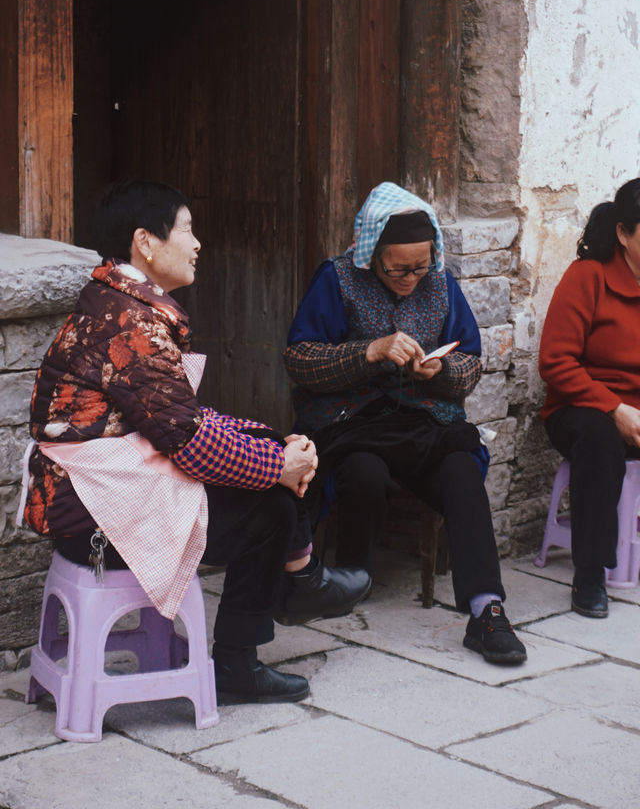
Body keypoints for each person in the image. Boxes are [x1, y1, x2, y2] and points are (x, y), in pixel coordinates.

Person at [23, 180, 370, 706]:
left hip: (98, 499)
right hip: (96, 519)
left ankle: (300, 577)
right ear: (146, 241)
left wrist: (273, 447)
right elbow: (188, 442)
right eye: (186, 229)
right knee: (269, 504)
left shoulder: (115, 303)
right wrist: (278, 466)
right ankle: (245, 652)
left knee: (267, 456)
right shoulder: (131, 324)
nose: (197, 243)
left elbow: (176, 417)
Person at [283, 181, 526, 665]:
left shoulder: (442, 284)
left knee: (460, 466)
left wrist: (442, 372)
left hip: (422, 419)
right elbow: (299, 359)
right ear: (372, 251)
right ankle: (352, 578)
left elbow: (471, 363)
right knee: (364, 471)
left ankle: (486, 610)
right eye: (398, 267)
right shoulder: (337, 280)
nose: (411, 277)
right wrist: (368, 351)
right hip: (353, 420)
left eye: (420, 265)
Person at [539, 177, 640, 619]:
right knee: (600, 438)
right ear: (624, 233)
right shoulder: (588, 277)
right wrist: (615, 408)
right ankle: (591, 572)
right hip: (579, 408)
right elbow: (555, 362)